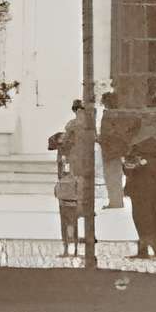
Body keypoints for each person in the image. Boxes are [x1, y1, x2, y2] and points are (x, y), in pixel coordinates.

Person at [121, 110, 156, 263]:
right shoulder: (135, 145)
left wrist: (143, 163)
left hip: (150, 188)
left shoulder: (155, 145)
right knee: (140, 216)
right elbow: (128, 166)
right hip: (139, 187)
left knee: (148, 217)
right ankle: (146, 248)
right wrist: (130, 165)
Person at [49, 98, 94, 254]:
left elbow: (63, 144)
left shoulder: (72, 126)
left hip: (73, 173)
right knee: (81, 208)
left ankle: (70, 242)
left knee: (69, 211)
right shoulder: (90, 127)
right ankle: (83, 238)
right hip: (84, 172)